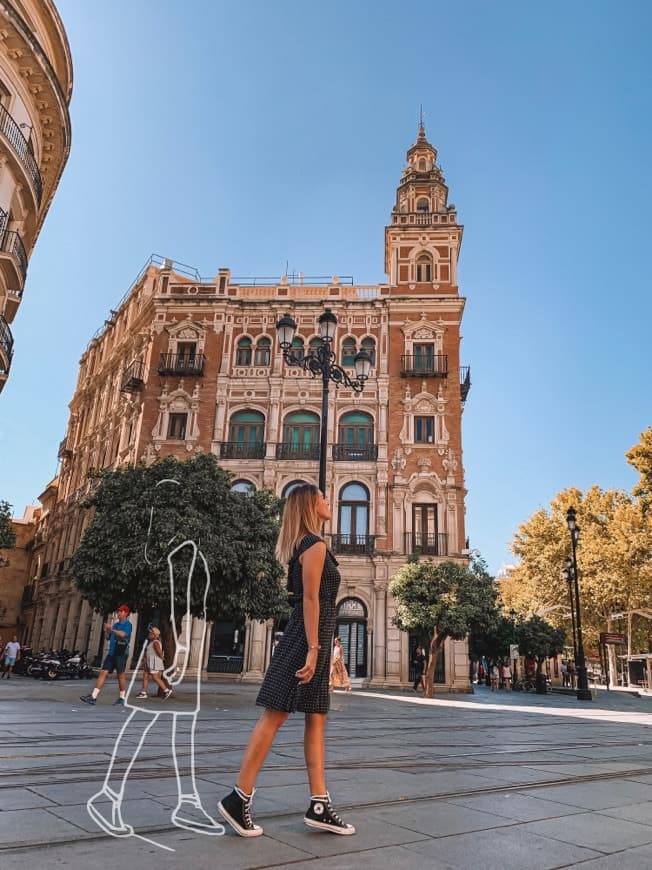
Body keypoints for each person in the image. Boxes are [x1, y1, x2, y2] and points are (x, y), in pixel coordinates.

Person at [218, 484, 355, 838]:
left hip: (314, 638)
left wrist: (321, 646)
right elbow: (310, 599)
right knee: (275, 714)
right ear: (311, 506)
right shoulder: (315, 544)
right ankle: (238, 797)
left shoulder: (308, 544)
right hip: (305, 639)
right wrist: (312, 649)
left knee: (316, 719)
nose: (328, 501)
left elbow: (314, 601)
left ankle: (319, 804)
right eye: (323, 497)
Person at [80, 605, 133, 706]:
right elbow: (108, 638)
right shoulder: (116, 624)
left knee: (120, 675)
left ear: (126, 613)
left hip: (121, 653)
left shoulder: (128, 624)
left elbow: (123, 634)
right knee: (103, 672)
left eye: (121, 611)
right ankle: (93, 696)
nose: (119, 613)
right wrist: (107, 631)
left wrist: (111, 629)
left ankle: (122, 698)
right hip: (111, 652)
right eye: (119, 611)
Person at [136, 626, 172, 700]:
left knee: (155, 677)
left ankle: (166, 690)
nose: (149, 634)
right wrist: (145, 659)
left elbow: (158, 651)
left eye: (150, 633)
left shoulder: (155, 642)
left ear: (154, 634)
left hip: (154, 661)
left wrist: (161, 658)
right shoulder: (153, 642)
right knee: (145, 675)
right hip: (151, 661)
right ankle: (143, 692)